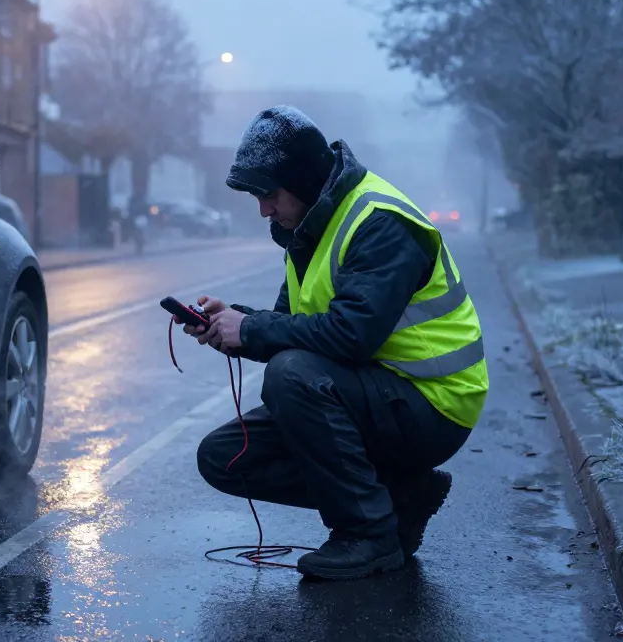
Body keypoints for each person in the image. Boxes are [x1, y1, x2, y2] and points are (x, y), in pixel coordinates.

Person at [184, 105, 487, 581]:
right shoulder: (309, 228)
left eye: (268, 194)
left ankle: (368, 535)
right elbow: (290, 326)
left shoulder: (379, 222)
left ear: (301, 181)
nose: (263, 209)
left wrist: (252, 329)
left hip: (433, 405)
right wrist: (231, 324)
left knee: (290, 375)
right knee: (224, 458)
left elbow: (350, 335)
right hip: (374, 395)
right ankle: (401, 497)